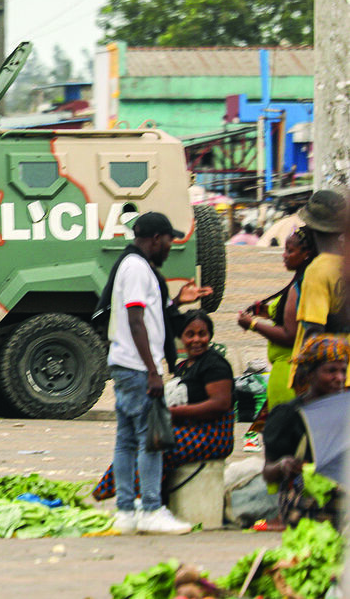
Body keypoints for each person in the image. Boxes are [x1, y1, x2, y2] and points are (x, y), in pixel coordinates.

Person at [93, 211, 213, 535]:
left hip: (126, 364)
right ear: (156, 238)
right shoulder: (136, 268)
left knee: (127, 440)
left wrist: (175, 301)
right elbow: (135, 320)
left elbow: (150, 315)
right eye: (169, 241)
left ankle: (126, 512)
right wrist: (153, 371)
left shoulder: (134, 265)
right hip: (136, 367)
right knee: (151, 440)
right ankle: (150, 509)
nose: (170, 248)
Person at [93, 311, 234, 516]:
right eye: (190, 334)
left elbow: (220, 404)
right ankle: (125, 499)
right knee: (139, 439)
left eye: (202, 334)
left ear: (210, 336)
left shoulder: (215, 365)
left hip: (212, 434)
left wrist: (177, 413)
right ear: (182, 337)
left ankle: (145, 503)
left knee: (156, 444)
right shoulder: (184, 366)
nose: (196, 340)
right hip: (189, 427)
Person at [238, 227, 318, 450]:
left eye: (290, 251)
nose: (284, 255)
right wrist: (264, 311)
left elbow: (289, 334)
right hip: (291, 374)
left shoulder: (298, 286)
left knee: (283, 447)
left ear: (306, 254)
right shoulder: (305, 282)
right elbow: (288, 316)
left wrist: (253, 324)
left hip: (287, 374)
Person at [263, 334, 350, 528]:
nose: (339, 378)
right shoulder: (288, 415)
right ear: (310, 374)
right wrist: (283, 465)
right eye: (331, 371)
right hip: (305, 507)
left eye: (343, 371)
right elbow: (268, 472)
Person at [291, 190, 350, 375]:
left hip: (328, 381)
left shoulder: (318, 271)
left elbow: (314, 331)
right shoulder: (345, 265)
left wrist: (303, 373)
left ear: (310, 228)